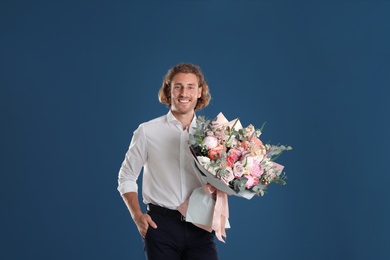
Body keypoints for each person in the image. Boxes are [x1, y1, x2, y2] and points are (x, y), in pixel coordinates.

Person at [117, 63, 219, 259]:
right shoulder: (147, 131)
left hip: (201, 224)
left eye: (190, 87)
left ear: (199, 92)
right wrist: (137, 216)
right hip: (161, 225)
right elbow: (126, 176)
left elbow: (222, 179)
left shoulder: (213, 134)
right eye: (178, 86)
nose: (184, 92)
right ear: (169, 91)